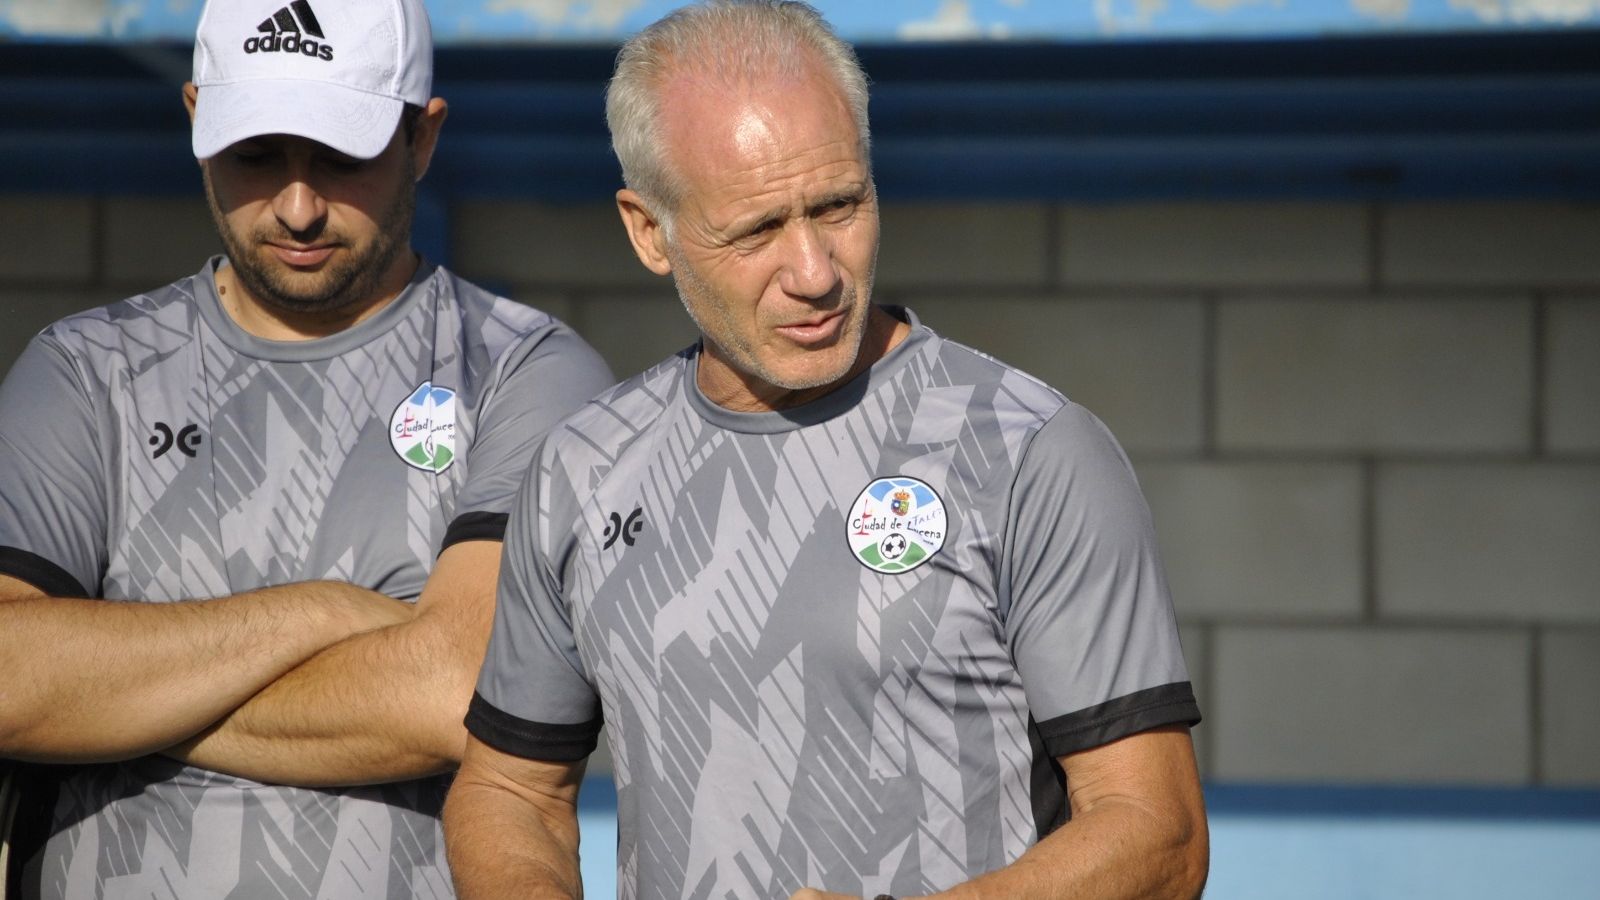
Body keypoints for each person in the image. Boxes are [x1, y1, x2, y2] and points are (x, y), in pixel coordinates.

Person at [444, 1, 1208, 898]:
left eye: (840, 205)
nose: (814, 272)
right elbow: (508, 790)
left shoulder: (1032, 453)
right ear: (650, 231)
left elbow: (1158, 835)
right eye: (758, 229)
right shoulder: (582, 470)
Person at [0, 0, 614, 896]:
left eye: (341, 155)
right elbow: (11, 681)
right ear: (197, 120)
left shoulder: (526, 369)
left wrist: (109, 695)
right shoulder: (85, 371)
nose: (296, 206)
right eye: (255, 154)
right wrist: (321, 614)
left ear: (423, 139)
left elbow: (458, 691)